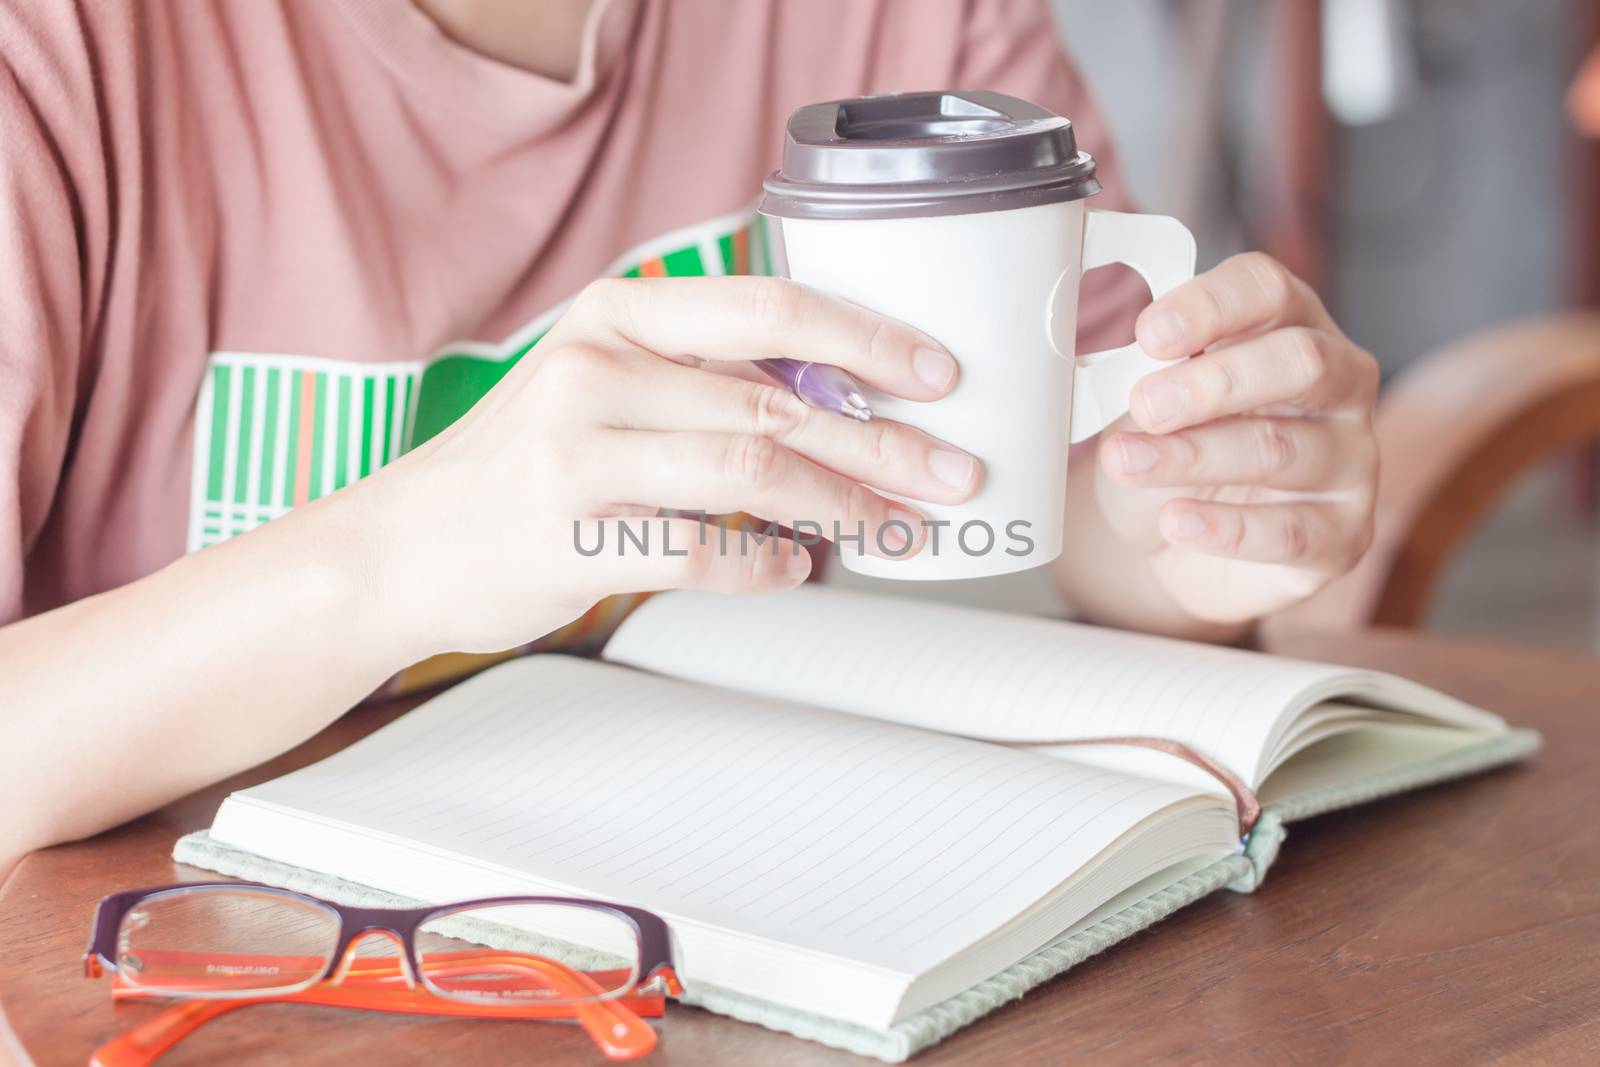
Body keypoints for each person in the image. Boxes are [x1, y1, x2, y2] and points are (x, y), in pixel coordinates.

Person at [0, 0, 1378, 877]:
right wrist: (399, 553)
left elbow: (1069, 492)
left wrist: (1188, 516)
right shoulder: (62, 55)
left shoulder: (914, 31)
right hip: (197, 966)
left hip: (749, 913)